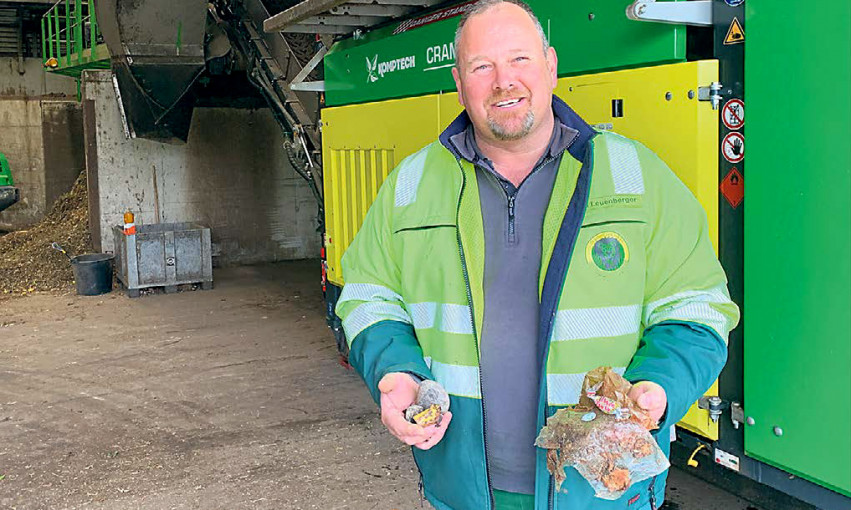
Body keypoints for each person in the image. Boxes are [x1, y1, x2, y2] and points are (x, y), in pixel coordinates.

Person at [336, 1, 740, 508]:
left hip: (602, 491)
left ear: (550, 66)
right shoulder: (411, 187)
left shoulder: (638, 179)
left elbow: (697, 308)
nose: (504, 82)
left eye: (520, 60)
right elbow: (370, 296)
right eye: (482, 67)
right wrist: (394, 372)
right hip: (465, 487)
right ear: (459, 83)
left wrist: (659, 386)